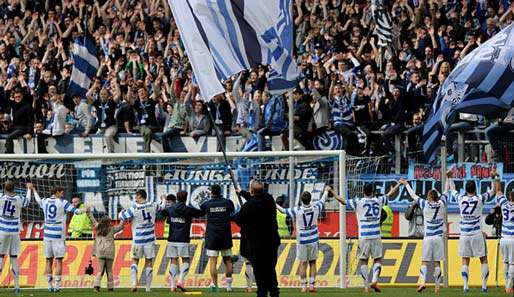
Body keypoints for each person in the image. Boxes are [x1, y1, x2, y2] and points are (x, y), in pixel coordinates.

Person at [338, 182, 401, 293]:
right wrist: (398, 184)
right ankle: (375, 280)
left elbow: (342, 201)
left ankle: (366, 287)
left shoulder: (358, 202)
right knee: (378, 259)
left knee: (363, 261)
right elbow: (390, 194)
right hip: (376, 234)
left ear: (363, 191)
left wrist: (332, 192)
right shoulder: (379, 200)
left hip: (364, 236)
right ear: (373, 192)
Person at [447, 171, 498, 293]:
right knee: (483, 259)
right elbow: (493, 191)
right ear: (475, 189)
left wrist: (449, 177)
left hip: (464, 234)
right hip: (477, 234)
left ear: (465, 189)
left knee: (465, 260)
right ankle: (484, 286)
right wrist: (493, 177)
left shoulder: (460, 198)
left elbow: (452, 190)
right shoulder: (479, 198)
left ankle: (465, 286)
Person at [277, 187, 329, 293]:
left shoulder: (297, 210)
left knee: (303, 263)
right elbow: (323, 199)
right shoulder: (316, 207)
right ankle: (312, 285)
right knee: (313, 262)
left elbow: (283, 210)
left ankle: (304, 286)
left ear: (301, 200)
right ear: (310, 199)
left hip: (302, 240)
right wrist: (327, 191)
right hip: (313, 239)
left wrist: (273, 203)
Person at [33, 186, 85, 292]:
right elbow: (77, 211)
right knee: (59, 260)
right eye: (61, 192)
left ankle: (49, 286)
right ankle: (57, 286)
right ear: (56, 192)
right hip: (58, 235)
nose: (62, 194)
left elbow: (38, 200)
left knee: (48, 260)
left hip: (47, 234)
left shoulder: (45, 201)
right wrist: (86, 209)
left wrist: (34, 190)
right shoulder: (63, 202)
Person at [400, 178, 448, 293]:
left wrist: (406, 184)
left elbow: (413, 196)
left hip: (428, 238)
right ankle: (437, 286)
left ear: (430, 197)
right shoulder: (442, 204)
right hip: (438, 238)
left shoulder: (425, 204)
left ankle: (422, 282)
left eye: (428, 196)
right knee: (437, 262)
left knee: (424, 261)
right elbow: (446, 192)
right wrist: (448, 179)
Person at [235, 181, 280, 297]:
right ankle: (274, 291)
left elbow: (239, 220)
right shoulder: (269, 200)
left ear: (252, 191)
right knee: (270, 267)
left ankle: (262, 292)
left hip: (256, 243)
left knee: (259, 269)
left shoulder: (247, 206)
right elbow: (256, 197)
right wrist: (242, 193)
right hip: (272, 241)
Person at [118, 189, 164, 292]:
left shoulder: (134, 207)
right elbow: (162, 206)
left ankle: (134, 284)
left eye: (136, 196)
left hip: (138, 240)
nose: (135, 198)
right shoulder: (153, 205)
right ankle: (148, 288)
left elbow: (122, 217)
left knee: (135, 261)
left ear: (139, 196)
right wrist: (163, 199)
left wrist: (121, 212)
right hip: (150, 240)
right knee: (149, 262)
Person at [159, 191, 203, 292]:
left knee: (173, 261)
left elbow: (161, 213)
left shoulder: (170, 209)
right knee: (186, 260)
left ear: (177, 199)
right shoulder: (189, 210)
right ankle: (180, 280)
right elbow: (201, 212)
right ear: (186, 198)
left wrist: (164, 202)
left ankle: (173, 286)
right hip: (183, 240)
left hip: (172, 239)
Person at [198, 184, 236, 292]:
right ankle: (229, 287)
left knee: (213, 261)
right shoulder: (228, 202)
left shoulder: (207, 204)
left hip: (212, 236)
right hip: (225, 235)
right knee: (228, 260)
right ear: (220, 191)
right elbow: (232, 212)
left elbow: (200, 210)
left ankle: (215, 286)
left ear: (211, 192)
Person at [0, 181, 32, 293]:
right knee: (14, 257)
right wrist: (29, 189)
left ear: (4, 188)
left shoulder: (1, 197)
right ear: (15, 188)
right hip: (14, 231)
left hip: (3, 230)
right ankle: (17, 286)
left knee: (1, 256)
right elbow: (27, 202)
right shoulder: (19, 198)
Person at [87, 210, 124, 292]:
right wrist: (123, 216)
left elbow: (92, 219)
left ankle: (96, 287)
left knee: (100, 270)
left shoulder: (97, 228)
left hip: (100, 251)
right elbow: (121, 226)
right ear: (109, 222)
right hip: (110, 251)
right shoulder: (112, 229)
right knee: (109, 270)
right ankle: (110, 288)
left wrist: (89, 212)